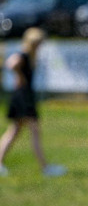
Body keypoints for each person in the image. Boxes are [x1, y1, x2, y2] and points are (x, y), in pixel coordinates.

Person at [0, 27, 66, 177]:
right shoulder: (22, 55)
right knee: (34, 131)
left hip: (23, 96)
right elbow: (11, 64)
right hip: (23, 97)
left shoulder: (30, 56)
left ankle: (1, 163)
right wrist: (20, 76)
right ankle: (45, 167)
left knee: (14, 131)